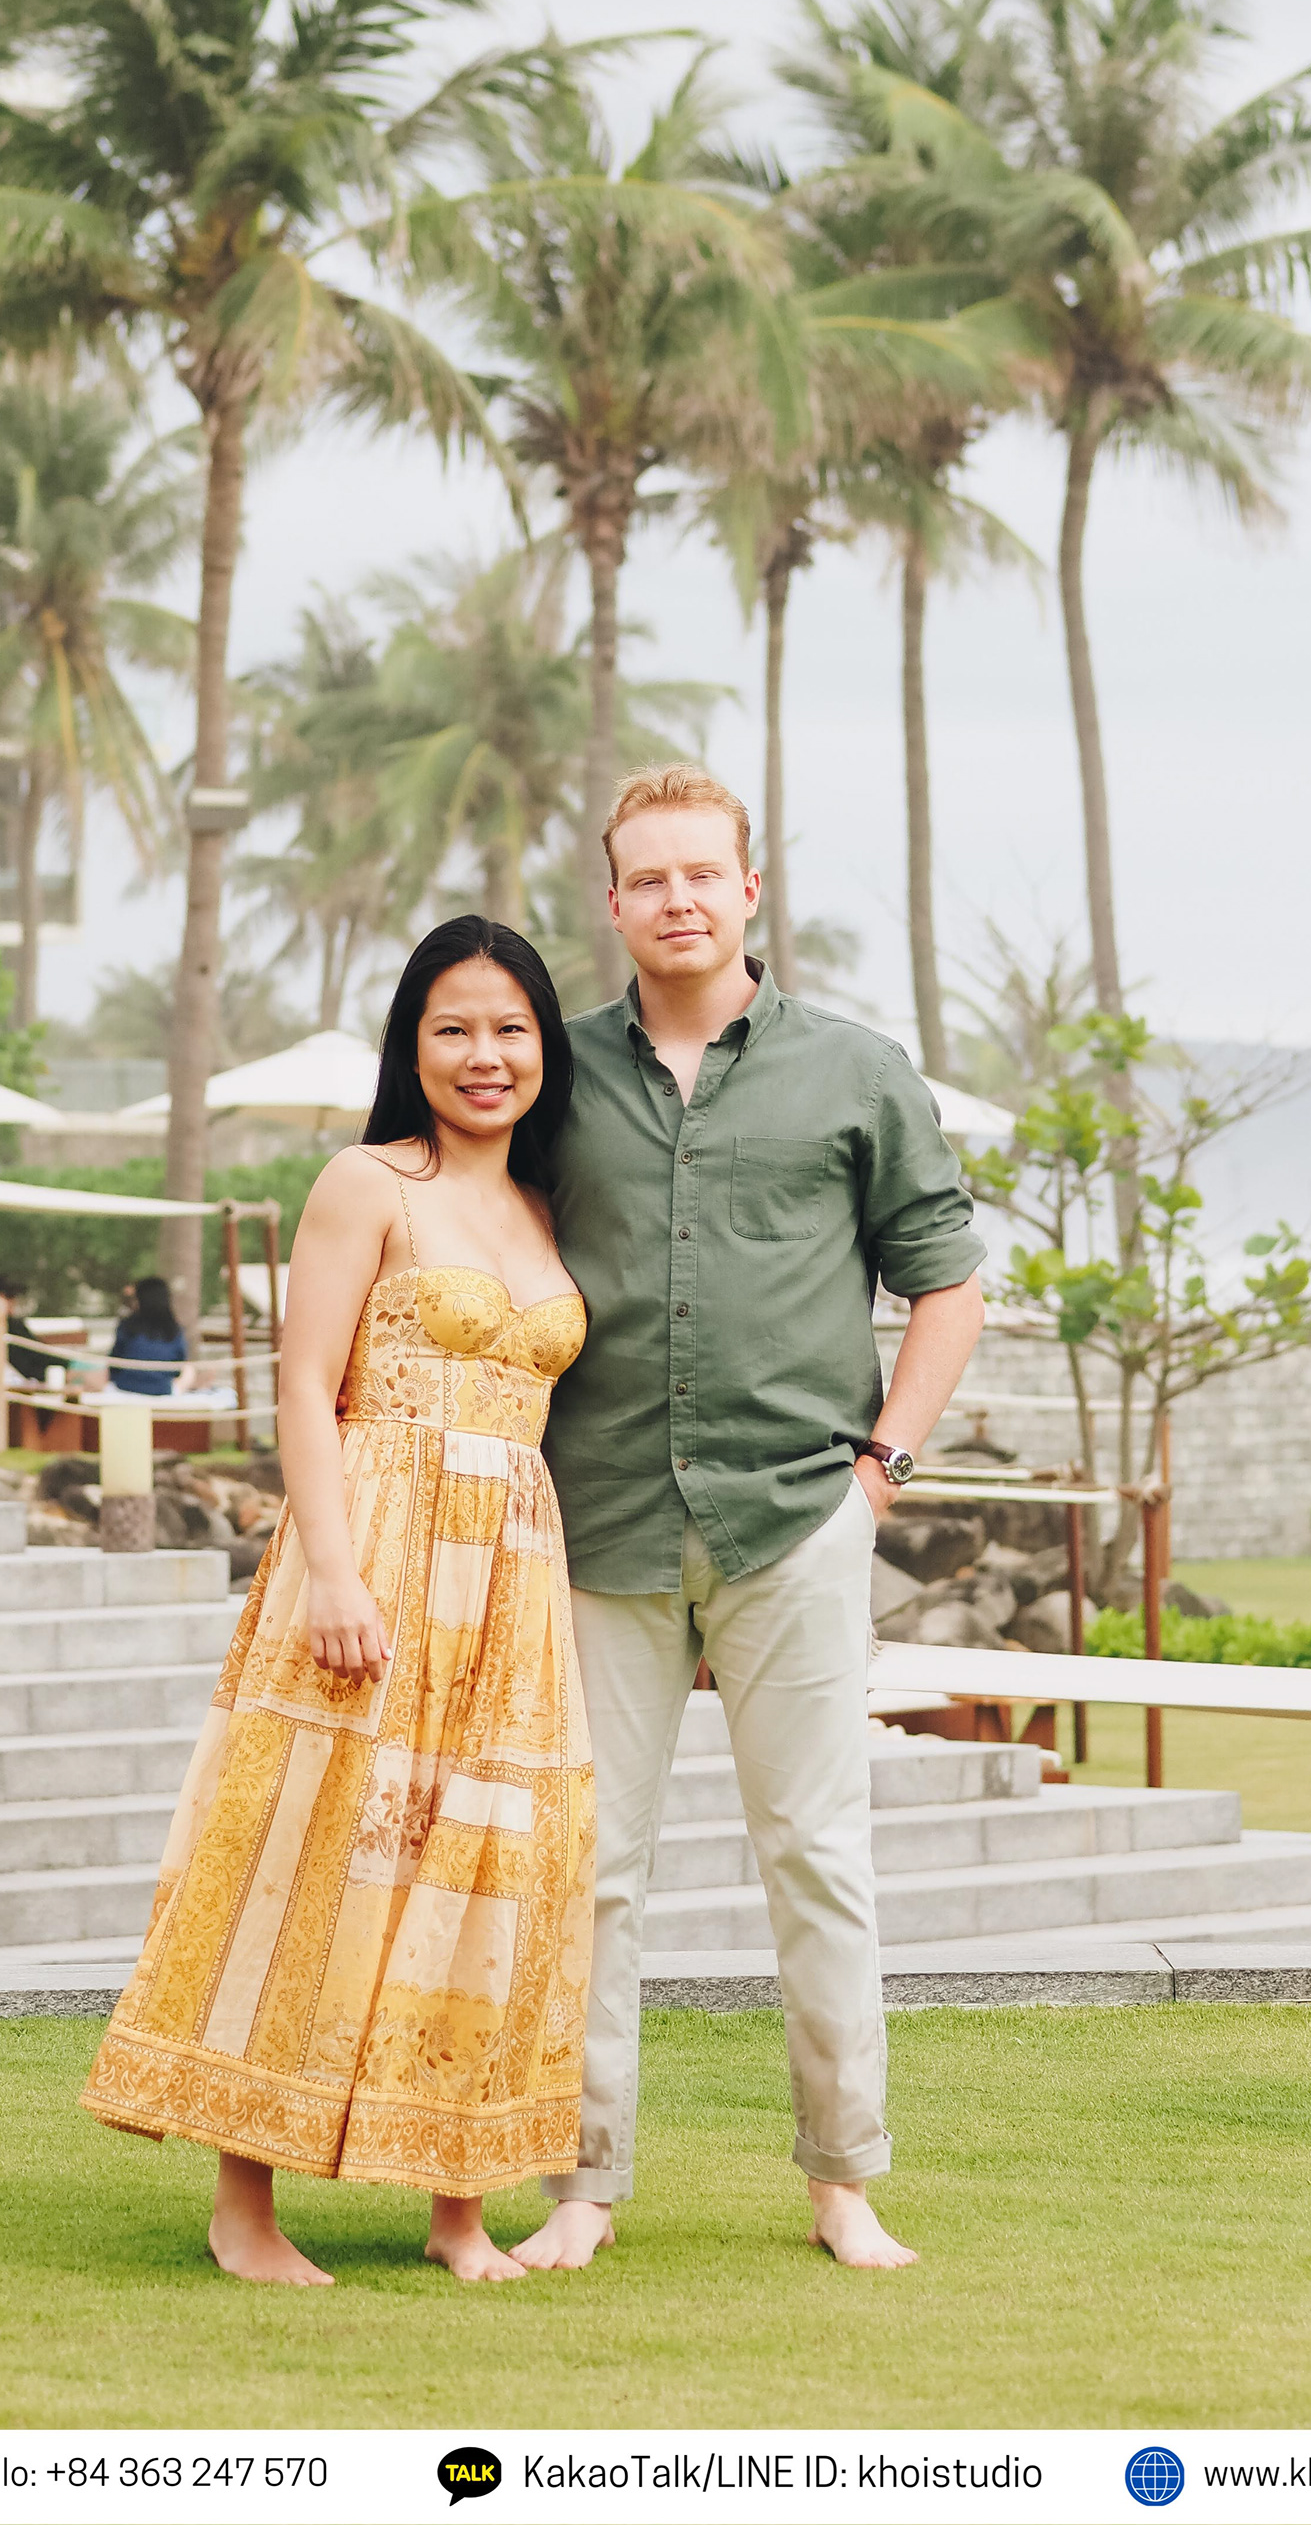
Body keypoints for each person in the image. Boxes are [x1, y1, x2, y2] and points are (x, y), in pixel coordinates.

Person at [514, 763, 986, 2277]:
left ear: (748, 890)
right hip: (598, 1520)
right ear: (613, 903)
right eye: (646, 879)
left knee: (816, 1856)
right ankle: (583, 2184)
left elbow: (947, 1281)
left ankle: (844, 2180)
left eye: (701, 874)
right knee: (591, 1867)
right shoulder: (553, 1076)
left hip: (798, 1516)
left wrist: (882, 1469)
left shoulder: (856, 1073)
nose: (677, 900)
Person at [81, 917, 593, 2288]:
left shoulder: (553, 1206)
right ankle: (242, 2204)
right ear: (410, 1045)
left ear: (546, 1045)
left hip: (512, 1585)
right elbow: (308, 1385)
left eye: (510, 1030)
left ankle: (458, 2205)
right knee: (301, 1852)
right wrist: (335, 1571)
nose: (485, 1057)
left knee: (482, 1865)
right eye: (454, 1029)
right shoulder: (367, 1182)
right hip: (372, 1545)